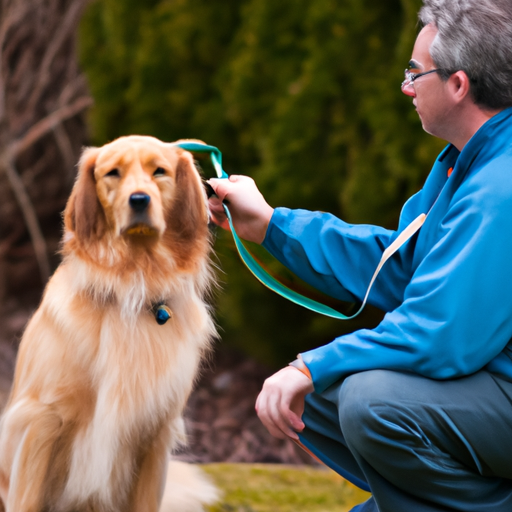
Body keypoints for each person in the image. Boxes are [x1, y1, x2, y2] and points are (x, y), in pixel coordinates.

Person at [208, 0, 512, 510]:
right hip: (491, 384)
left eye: (416, 72)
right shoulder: (469, 161)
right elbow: (401, 267)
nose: (406, 86)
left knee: (371, 404)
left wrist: (308, 366)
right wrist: (272, 225)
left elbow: (438, 334)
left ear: (458, 85)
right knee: (329, 395)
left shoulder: (498, 188)